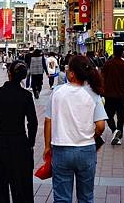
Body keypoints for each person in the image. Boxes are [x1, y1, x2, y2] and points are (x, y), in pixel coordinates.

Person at [44, 55, 107, 203]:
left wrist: (47, 146)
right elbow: (101, 126)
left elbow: (48, 121)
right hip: (86, 150)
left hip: (61, 149)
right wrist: (93, 136)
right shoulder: (93, 94)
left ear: (72, 74)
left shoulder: (57, 92)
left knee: (61, 198)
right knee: (86, 197)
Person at [0, 60, 37, 202]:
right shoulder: (26, 96)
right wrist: (30, 143)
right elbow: (33, 122)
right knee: (22, 188)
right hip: (20, 144)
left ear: (9, 74)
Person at [101, 45, 124, 145]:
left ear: (114, 52)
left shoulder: (107, 64)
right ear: (122, 52)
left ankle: (114, 130)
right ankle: (118, 135)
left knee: (107, 115)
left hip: (109, 95)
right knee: (121, 116)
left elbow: (102, 78)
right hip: (121, 95)